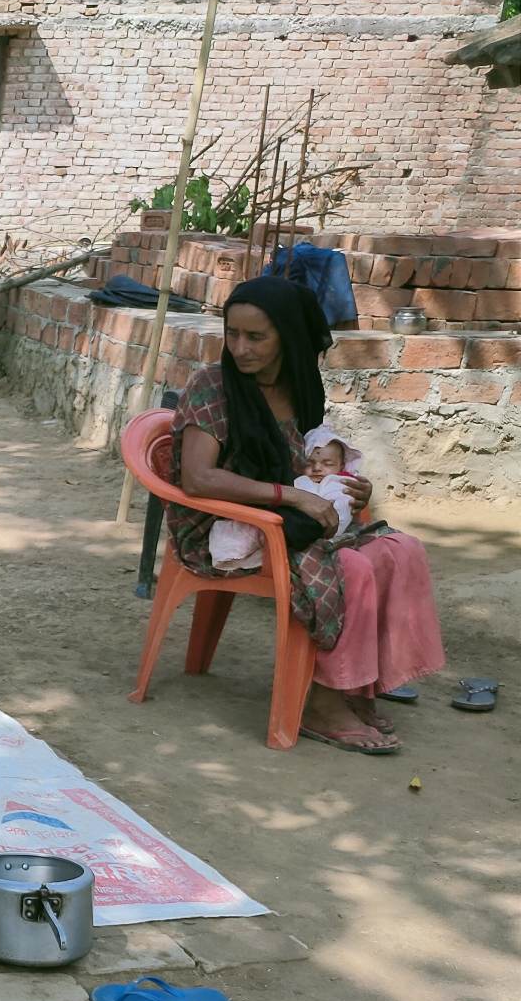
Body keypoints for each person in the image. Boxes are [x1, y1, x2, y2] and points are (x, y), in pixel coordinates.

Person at [168, 276, 445, 755]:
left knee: (401, 550)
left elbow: (309, 462)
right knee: (350, 566)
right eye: (233, 333)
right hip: (223, 528)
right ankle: (321, 701)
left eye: (256, 337)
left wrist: (343, 485)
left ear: (289, 338)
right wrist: (292, 498)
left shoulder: (300, 388)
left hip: (286, 516)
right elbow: (198, 479)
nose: (240, 348)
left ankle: (357, 686)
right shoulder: (212, 386)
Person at [209, 422, 362, 571]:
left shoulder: (341, 484)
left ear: (341, 466)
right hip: (287, 534)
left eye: (327, 464)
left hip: (325, 536)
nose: (317, 468)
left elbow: (341, 509)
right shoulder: (299, 481)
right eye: (310, 463)